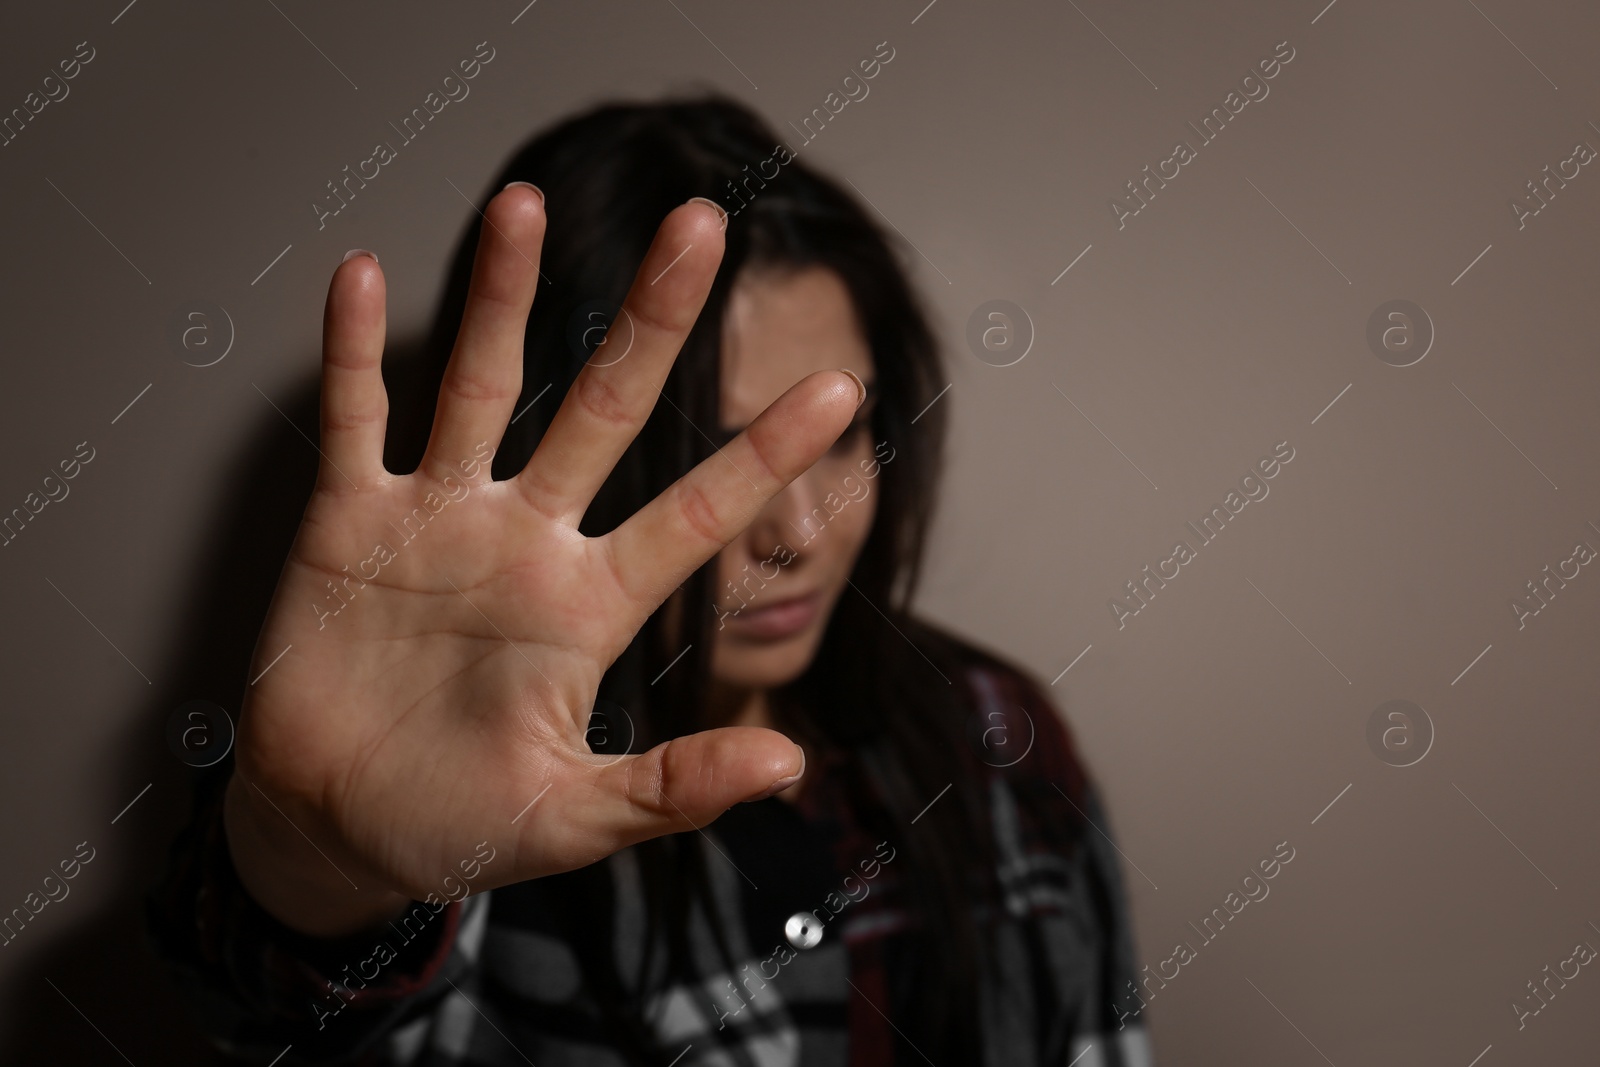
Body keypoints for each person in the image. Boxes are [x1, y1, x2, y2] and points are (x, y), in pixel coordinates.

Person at [149, 93, 1153, 1067]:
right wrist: (319, 859)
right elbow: (290, 1016)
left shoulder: (997, 738)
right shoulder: (479, 794)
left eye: (841, 437)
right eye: (704, 454)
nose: (797, 533)